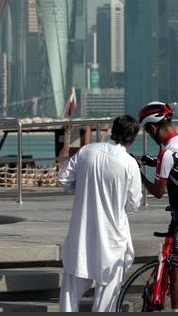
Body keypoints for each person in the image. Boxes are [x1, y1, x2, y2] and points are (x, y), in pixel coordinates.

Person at [57, 115, 142, 312]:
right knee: (108, 291)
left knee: (71, 286)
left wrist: (83, 188)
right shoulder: (129, 163)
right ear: (132, 138)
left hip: (82, 229)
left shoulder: (87, 151)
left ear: (113, 130)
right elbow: (133, 204)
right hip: (112, 234)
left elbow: (64, 179)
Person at [137, 100, 178, 311]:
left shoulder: (165, 154)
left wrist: (140, 176)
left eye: (148, 131)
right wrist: (151, 162)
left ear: (154, 128)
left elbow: (158, 192)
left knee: (177, 268)